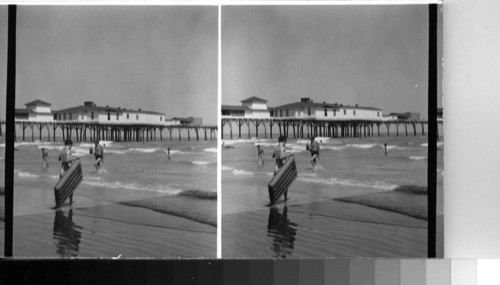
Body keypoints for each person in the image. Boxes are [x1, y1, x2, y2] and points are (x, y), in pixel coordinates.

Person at [273, 136, 293, 201]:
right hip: (281, 169)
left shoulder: (276, 147)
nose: (285, 143)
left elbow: (273, 155)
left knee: (277, 185)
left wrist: (283, 154)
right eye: (285, 142)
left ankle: (275, 197)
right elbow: (281, 157)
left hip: (275, 168)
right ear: (284, 141)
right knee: (285, 184)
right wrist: (289, 154)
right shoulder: (282, 148)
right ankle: (285, 198)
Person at [58, 139, 78, 204]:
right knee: (70, 188)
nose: (71, 147)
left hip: (61, 172)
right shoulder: (68, 151)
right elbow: (67, 160)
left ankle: (61, 201)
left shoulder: (62, 151)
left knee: (63, 188)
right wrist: (75, 158)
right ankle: (70, 201)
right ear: (69, 145)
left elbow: (59, 159)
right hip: (66, 172)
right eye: (71, 146)